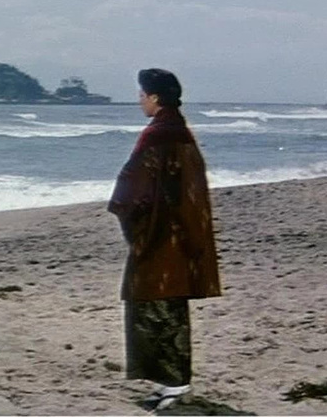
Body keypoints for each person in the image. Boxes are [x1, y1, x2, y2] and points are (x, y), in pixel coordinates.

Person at [108, 69, 222, 410]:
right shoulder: (180, 132)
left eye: (142, 94)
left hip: (160, 236)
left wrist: (131, 217)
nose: (140, 100)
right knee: (167, 304)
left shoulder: (157, 135)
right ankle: (169, 381)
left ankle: (175, 382)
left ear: (155, 97)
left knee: (156, 305)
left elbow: (133, 183)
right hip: (179, 232)